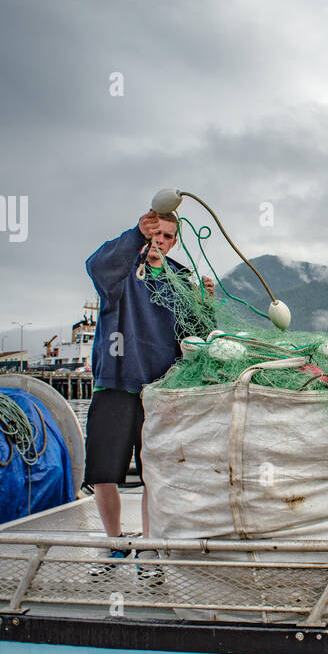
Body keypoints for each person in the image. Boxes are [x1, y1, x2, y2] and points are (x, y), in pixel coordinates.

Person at [84, 209, 214, 579]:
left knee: (154, 474)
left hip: (159, 392)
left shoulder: (182, 280)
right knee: (103, 472)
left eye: (168, 237)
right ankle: (114, 542)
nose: (160, 241)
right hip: (115, 383)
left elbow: (195, 336)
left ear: (175, 242)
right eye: (155, 234)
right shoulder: (121, 271)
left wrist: (204, 304)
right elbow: (96, 265)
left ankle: (148, 545)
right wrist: (135, 235)